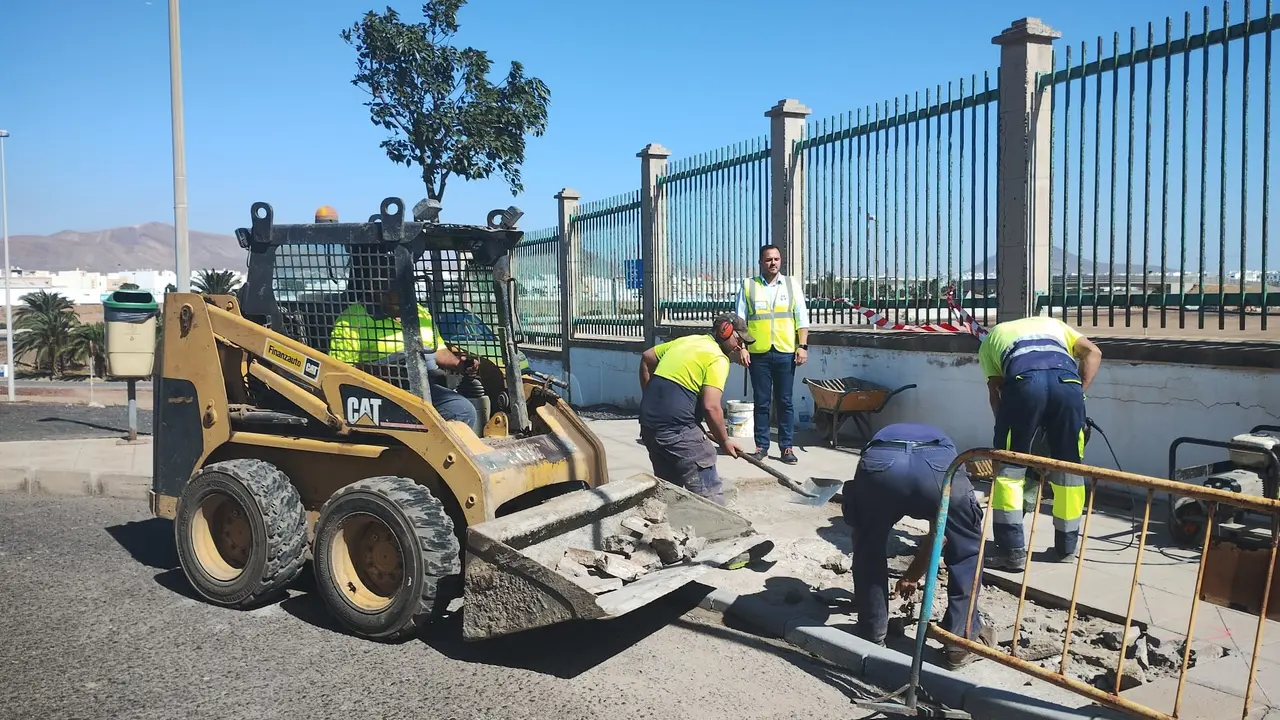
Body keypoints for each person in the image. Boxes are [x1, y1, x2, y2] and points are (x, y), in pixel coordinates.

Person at [842, 422, 994, 669]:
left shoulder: (882, 435)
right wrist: (913, 575)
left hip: (882, 462)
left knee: (868, 543)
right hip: (938, 467)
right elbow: (939, 532)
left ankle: (872, 628)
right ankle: (959, 643)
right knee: (967, 552)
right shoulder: (944, 443)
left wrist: (911, 576)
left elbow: (861, 540)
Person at [978, 316, 1102, 572]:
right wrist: (1078, 393)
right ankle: (1066, 548)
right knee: (1069, 471)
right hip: (1068, 386)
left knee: (1010, 471)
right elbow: (1093, 352)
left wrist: (1006, 434)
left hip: (1024, 385)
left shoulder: (991, 339)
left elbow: (996, 392)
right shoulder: (1054, 325)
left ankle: (1011, 553)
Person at [329, 274, 481, 433]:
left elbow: (439, 350)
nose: (405, 297)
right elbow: (341, 369)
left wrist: (459, 363)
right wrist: (387, 372)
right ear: (378, 291)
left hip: (423, 387)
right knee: (450, 412)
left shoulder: (420, 313)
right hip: (381, 393)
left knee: (463, 409)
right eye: (398, 291)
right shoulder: (351, 320)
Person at [637, 314, 753, 505]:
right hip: (675, 427)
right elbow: (711, 406)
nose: (739, 347)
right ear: (725, 332)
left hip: (650, 425)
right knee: (703, 456)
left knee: (669, 488)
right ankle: (716, 527)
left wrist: (651, 399)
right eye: (738, 340)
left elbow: (647, 357)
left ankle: (669, 522)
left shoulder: (689, 341)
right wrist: (724, 441)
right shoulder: (717, 358)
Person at [734, 244, 811, 465]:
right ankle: (761, 447)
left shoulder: (790, 285)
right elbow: (739, 321)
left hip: (786, 352)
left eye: (776, 259)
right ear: (761, 262)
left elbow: (801, 319)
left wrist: (802, 346)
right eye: (768, 259)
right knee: (761, 401)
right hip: (759, 354)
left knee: (785, 401)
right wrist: (742, 348)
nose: (773, 263)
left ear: (781, 261)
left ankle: (786, 447)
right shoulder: (749, 286)